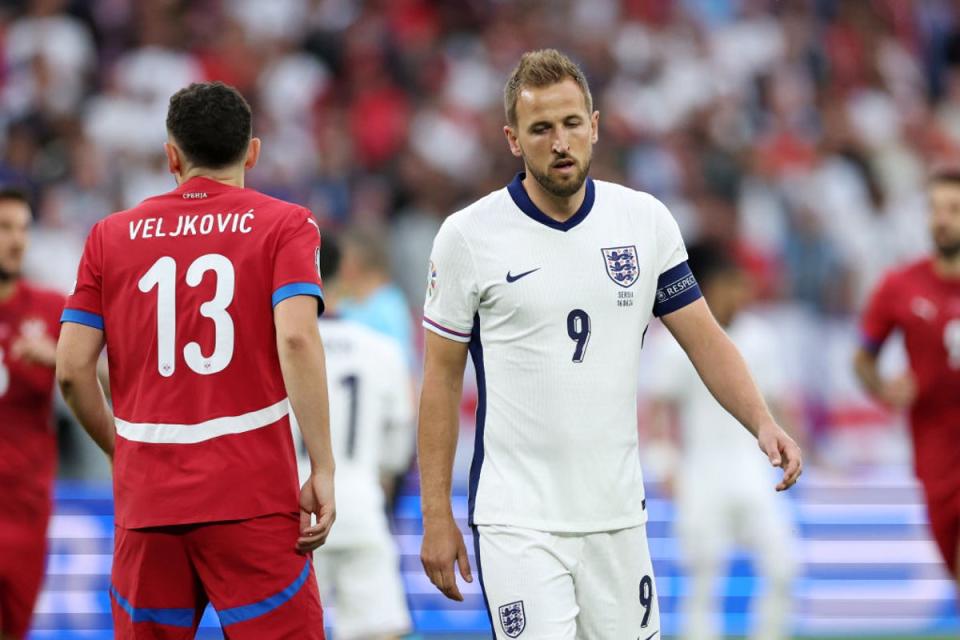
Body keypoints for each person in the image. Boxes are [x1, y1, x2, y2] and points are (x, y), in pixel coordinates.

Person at [417, 49, 802, 640]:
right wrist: (435, 514)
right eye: (541, 128)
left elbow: (705, 339)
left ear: (594, 125)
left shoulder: (644, 222)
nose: (560, 141)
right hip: (518, 521)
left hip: (618, 516)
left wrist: (762, 421)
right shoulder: (468, 236)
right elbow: (440, 381)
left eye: (572, 123)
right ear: (513, 140)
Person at [55, 81, 335, 639]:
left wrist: (123, 449)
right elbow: (298, 339)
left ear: (171, 156)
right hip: (253, 496)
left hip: (148, 502)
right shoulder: (286, 224)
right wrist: (323, 466)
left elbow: (69, 369)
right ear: (251, 152)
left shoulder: (110, 236)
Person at [647, 243, 798, 640]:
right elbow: (658, 408)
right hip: (702, 470)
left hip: (755, 469)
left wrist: (801, 449)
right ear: (711, 286)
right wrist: (663, 460)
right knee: (701, 578)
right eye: (734, 284)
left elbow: (780, 404)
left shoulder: (761, 337)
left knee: (784, 567)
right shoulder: (677, 341)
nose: (742, 293)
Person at [291, 235, 414, 640]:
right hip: (360, 503)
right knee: (377, 632)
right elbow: (398, 444)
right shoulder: (382, 350)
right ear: (343, 274)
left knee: (287, 629)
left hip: (295, 511)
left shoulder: (278, 352)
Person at [854, 168, 960, 589]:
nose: (942, 219)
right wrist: (883, 387)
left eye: (953, 209)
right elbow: (863, 359)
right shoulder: (900, 285)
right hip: (934, 450)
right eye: (934, 208)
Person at [0, 187, 65, 640]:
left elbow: (114, 378)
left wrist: (65, 360)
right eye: (5, 228)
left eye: (24, 229)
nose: (17, 240)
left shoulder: (50, 308)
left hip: (25, 506)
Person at [336, 227, 415, 367]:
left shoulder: (389, 305)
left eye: (341, 259)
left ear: (356, 261)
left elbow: (401, 359)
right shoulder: (343, 303)